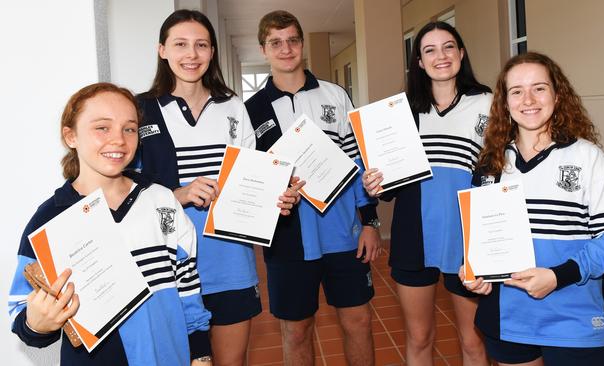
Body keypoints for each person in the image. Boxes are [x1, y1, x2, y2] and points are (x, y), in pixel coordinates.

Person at [134, 9, 301, 366]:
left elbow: (251, 178)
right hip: (167, 265)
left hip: (230, 260)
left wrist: (278, 198)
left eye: (201, 45)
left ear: (212, 52)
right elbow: (123, 190)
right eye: (180, 44)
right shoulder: (140, 110)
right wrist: (178, 195)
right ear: (162, 50)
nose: (191, 54)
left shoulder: (233, 107)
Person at [8, 82, 213, 365]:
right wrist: (37, 323)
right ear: (71, 136)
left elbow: (188, 284)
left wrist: (201, 354)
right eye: (102, 128)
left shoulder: (162, 200)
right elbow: (21, 313)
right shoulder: (49, 219)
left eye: (129, 129)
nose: (118, 139)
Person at [461, 52, 604, 366]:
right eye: (516, 91)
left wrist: (558, 276)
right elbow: (479, 238)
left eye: (539, 88)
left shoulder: (589, 159)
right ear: (505, 102)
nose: (528, 99)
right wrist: (473, 271)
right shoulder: (491, 164)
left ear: (557, 94)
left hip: (573, 320)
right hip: (508, 319)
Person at [244, 10, 381, 366]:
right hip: (287, 238)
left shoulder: (334, 95)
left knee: (358, 321)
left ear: (302, 44)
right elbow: (251, 178)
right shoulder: (251, 110)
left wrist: (370, 221)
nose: (286, 49)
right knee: (297, 330)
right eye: (276, 42)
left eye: (292, 40)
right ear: (264, 49)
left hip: (343, 233)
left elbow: (358, 164)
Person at [362, 21, 491, 365]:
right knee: (419, 338)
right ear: (419, 61)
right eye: (429, 50)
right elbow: (388, 188)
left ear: (461, 53)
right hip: (413, 234)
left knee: (474, 341)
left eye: (449, 47)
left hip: (467, 236)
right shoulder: (401, 113)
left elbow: (500, 172)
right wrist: (374, 183)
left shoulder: (489, 104)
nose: (441, 56)